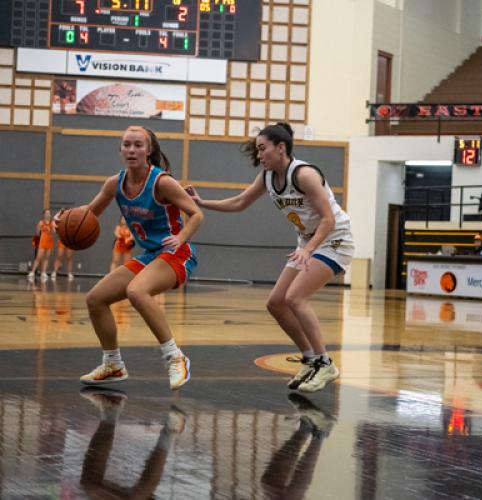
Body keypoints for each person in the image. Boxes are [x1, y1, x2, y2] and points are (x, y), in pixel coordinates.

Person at [188, 122, 354, 393]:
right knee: (276, 303)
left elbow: (328, 219)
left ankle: (325, 363)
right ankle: (310, 359)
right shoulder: (267, 177)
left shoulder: (304, 174)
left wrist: (308, 249)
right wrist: (203, 203)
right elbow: (241, 202)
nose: (259, 155)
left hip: (334, 239)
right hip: (308, 243)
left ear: (281, 147)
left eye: (263, 149)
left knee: (295, 298)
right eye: (257, 150)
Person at [56, 125, 203, 390]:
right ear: (121, 149)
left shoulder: (162, 182)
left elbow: (197, 214)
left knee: (137, 291)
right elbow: (89, 214)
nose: (131, 150)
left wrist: (180, 238)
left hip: (177, 252)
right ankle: (112, 364)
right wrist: (65, 218)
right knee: (95, 299)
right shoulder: (114, 183)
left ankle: (176, 357)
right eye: (127, 144)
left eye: (138, 145)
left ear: (149, 150)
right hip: (150, 255)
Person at [28, 209, 55, 282]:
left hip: (49, 242)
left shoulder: (52, 223)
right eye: (46, 213)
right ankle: (32, 272)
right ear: (44, 215)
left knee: (46, 258)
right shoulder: (41, 222)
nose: (48, 215)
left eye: (49, 213)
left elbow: (53, 232)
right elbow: (37, 232)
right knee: (38, 258)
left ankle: (43, 272)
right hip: (42, 241)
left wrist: (53, 226)